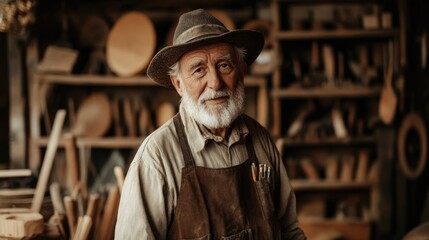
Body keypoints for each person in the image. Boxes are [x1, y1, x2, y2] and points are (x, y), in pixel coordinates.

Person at [115, 8, 306, 240]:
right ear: (178, 84)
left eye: (224, 65)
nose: (215, 83)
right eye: (198, 70)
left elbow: (290, 232)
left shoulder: (261, 140)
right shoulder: (157, 157)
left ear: (242, 72)